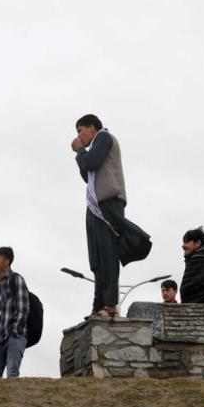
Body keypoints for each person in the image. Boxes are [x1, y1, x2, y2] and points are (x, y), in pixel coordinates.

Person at [71, 114, 151, 318]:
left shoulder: (104, 138)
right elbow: (86, 174)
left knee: (108, 253)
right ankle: (98, 304)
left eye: (80, 131)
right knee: (97, 257)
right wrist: (81, 154)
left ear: (91, 128)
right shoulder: (95, 145)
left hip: (108, 202)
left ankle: (110, 304)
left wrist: (80, 150)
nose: (79, 136)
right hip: (95, 204)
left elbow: (90, 162)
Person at [0, 246, 30, 378]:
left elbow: (23, 308)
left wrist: (15, 331)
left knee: (12, 375)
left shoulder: (16, 279)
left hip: (14, 336)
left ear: (6, 261)